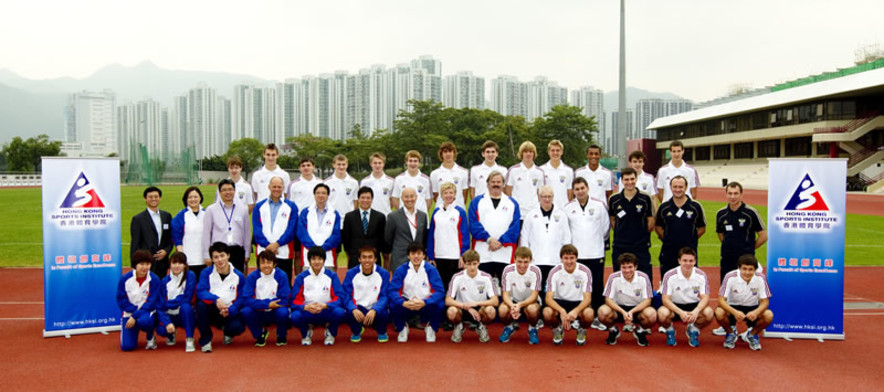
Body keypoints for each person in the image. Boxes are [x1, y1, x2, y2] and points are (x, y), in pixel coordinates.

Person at [563, 177, 610, 329]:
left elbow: (605, 228)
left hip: (596, 252)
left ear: (588, 188)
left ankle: (596, 316)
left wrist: (596, 241)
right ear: (573, 191)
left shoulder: (599, 205)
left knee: (596, 285)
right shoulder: (568, 207)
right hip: (578, 254)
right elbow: (567, 230)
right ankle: (578, 316)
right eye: (577, 189)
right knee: (578, 287)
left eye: (582, 188)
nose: (580, 191)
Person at [469, 171, 521, 286]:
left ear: (503, 184)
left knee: (505, 287)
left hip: (505, 253)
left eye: (499, 182)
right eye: (493, 182)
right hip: (482, 252)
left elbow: (515, 228)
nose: (496, 184)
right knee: (482, 286)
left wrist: (500, 242)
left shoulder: (512, 203)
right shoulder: (477, 202)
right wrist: (489, 240)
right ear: (487, 184)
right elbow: (474, 225)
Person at [388, 242, 445, 343]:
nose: (416, 256)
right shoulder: (401, 270)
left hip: (425, 303)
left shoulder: (431, 270)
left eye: (419, 253)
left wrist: (425, 302)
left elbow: (440, 291)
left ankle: (431, 328)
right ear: (408, 255)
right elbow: (392, 290)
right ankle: (402, 328)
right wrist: (403, 302)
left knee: (440, 304)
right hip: (407, 302)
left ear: (423, 255)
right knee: (393, 304)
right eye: (413, 253)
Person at [290, 246, 347, 346]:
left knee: (339, 312)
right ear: (309, 261)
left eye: (320, 259)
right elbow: (294, 301)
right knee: (295, 316)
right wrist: (305, 307)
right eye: (313, 259)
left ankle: (330, 332)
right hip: (308, 311)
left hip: (326, 310)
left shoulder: (332, 276)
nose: (317, 262)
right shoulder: (301, 277)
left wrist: (326, 306)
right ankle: (306, 333)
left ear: (324, 260)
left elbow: (339, 297)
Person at [714, 254, 774, 351]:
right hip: (732, 307)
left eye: (750, 269)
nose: (747, 272)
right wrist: (734, 312)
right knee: (719, 312)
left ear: (755, 270)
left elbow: (765, 301)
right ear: (739, 268)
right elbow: (721, 300)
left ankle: (752, 335)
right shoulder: (730, 276)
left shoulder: (761, 278)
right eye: (744, 269)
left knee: (768, 315)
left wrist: (756, 312)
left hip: (752, 307)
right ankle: (730, 333)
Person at [195, 242, 247, 353]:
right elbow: (201, 291)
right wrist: (216, 300)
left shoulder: (239, 276)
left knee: (238, 327)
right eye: (216, 257)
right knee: (200, 306)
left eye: (222, 255)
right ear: (212, 259)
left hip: (230, 310)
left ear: (228, 255)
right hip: (213, 309)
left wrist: (230, 310)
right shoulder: (206, 273)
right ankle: (206, 340)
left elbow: (242, 297)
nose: (220, 260)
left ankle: (228, 332)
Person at [657, 247, 714, 348]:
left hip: (693, 305)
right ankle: (670, 330)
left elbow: (705, 297)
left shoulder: (701, 275)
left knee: (709, 313)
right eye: (685, 260)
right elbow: (665, 299)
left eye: (691, 261)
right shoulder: (669, 275)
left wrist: (696, 311)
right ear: (679, 261)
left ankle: (693, 329)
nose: (688, 263)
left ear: (695, 261)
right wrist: (680, 313)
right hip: (674, 306)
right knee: (662, 313)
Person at [597, 253, 656, 346]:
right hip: (618, 310)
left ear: (635, 267)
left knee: (651, 314)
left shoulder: (643, 277)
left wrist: (631, 312)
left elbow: (648, 300)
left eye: (630, 267)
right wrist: (623, 312)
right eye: (624, 267)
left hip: (638, 310)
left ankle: (640, 331)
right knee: (602, 312)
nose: (627, 270)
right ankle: (613, 330)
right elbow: (608, 299)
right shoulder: (613, 277)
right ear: (620, 267)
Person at [542, 245, 594, 346]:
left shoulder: (585, 271)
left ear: (576, 258)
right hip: (559, 301)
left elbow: (588, 299)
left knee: (589, 314)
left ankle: (582, 330)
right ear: (561, 258)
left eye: (572, 258)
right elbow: (548, 298)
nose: (569, 261)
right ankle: (557, 329)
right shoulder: (554, 271)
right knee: (547, 312)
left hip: (578, 302)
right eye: (566, 258)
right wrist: (561, 311)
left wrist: (576, 311)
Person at [609, 168, 655, 281]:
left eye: (632, 179)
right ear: (622, 180)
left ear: (636, 179)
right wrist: (622, 231)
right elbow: (613, 220)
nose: (630, 182)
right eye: (626, 179)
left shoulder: (645, 198)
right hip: (621, 245)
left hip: (640, 245)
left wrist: (641, 233)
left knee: (645, 276)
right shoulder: (614, 199)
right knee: (619, 277)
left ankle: (647, 298)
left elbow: (651, 220)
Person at [519, 185, 570, 288]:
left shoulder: (561, 215)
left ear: (553, 197)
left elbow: (566, 238)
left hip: (555, 260)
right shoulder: (530, 215)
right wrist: (527, 258)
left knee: (553, 291)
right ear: (539, 197)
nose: (547, 199)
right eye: (544, 196)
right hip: (536, 260)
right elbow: (524, 238)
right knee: (537, 290)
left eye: (549, 196)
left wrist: (564, 258)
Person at [655, 175, 706, 278]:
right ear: (670, 187)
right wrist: (667, 238)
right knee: (667, 282)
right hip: (668, 251)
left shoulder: (696, 207)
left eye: (680, 187)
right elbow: (658, 227)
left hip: (689, 253)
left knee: (690, 282)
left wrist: (691, 238)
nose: (678, 189)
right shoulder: (664, 207)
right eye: (675, 187)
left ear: (686, 187)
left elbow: (702, 228)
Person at [446, 250, 499, 343]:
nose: (472, 267)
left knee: (491, 311)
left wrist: (476, 304)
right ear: (464, 264)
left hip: (480, 309)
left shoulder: (486, 277)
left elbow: (495, 301)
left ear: (479, 263)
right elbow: (448, 300)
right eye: (469, 264)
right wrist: (466, 307)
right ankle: (459, 326)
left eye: (475, 264)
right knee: (451, 311)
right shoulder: (457, 277)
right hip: (462, 308)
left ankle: (481, 325)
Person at [253, 176, 299, 282]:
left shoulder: (291, 206)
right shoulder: (259, 206)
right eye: (274, 186)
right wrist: (268, 246)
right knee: (262, 283)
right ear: (269, 187)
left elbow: (291, 231)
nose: (276, 189)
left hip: (283, 252)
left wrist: (276, 244)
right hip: (264, 252)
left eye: (279, 187)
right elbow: (257, 230)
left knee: (284, 283)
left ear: (283, 188)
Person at [241, 250, 291, 347]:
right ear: (258, 265)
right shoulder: (252, 277)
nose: (266, 265)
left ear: (274, 264)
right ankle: (260, 334)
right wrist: (267, 304)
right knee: (245, 311)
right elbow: (246, 299)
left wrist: (271, 305)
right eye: (262, 263)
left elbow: (285, 298)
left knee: (283, 312)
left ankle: (281, 335)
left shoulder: (282, 276)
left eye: (269, 262)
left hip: (276, 310)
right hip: (259, 310)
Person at [342, 245, 391, 343]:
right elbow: (346, 295)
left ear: (375, 259)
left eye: (370, 257)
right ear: (359, 259)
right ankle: (357, 330)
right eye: (364, 257)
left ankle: (381, 331)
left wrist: (375, 309)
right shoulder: (351, 274)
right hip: (359, 308)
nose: (367, 260)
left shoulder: (383, 274)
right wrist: (353, 308)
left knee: (385, 313)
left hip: (375, 308)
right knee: (347, 312)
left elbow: (384, 296)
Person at [427, 182, 470, 290]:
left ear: (455, 195)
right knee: (440, 286)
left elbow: (464, 235)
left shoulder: (460, 212)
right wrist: (431, 255)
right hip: (439, 256)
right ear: (441, 195)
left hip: (454, 256)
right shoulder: (436, 212)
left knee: (453, 287)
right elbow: (431, 235)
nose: (448, 195)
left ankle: (453, 307)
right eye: (445, 193)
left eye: (451, 192)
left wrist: (463, 255)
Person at [203, 179, 252, 274]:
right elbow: (206, 234)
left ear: (234, 191)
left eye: (230, 189)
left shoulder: (243, 209)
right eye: (224, 190)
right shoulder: (211, 210)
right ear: (219, 192)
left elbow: (247, 233)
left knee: (238, 281)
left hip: (237, 251)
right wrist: (207, 255)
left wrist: (247, 253)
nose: (228, 192)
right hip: (219, 252)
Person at [116, 249, 160, 351]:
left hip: (146, 313)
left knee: (145, 321)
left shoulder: (154, 280)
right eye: (141, 264)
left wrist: (136, 315)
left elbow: (151, 302)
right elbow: (121, 299)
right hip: (129, 314)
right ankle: (134, 331)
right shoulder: (125, 279)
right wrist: (134, 312)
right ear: (135, 265)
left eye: (148, 264)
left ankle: (150, 336)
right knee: (127, 347)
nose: (145, 267)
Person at [498, 247, 543, 344]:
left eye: (526, 262)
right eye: (519, 261)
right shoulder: (507, 270)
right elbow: (505, 295)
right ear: (514, 259)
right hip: (513, 301)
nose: (522, 265)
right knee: (502, 310)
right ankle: (509, 327)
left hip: (530, 301)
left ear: (531, 260)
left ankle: (532, 328)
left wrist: (519, 305)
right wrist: (512, 306)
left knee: (532, 309)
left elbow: (534, 296)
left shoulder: (536, 271)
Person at [155, 252, 197, 352]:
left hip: (184, 313)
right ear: (170, 264)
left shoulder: (190, 276)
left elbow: (187, 297)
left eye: (180, 263)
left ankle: (189, 339)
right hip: (170, 314)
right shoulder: (164, 281)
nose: (177, 266)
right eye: (174, 263)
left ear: (185, 265)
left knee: (186, 307)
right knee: (161, 330)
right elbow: (160, 304)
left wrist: (168, 304)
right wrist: (167, 322)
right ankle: (171, 335)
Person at [296, 183, 342, 272]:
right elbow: (301, 233)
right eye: (318, 193)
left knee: (328, 284)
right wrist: (314, 249)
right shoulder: (305, 212)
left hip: (328, 258)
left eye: (324, 193)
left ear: (328, 195)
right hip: (308, 257)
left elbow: (336, 236)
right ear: (314, 195)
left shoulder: (334, 213)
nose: (321, 195)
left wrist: (322, 249)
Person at [130, 186, 173, 278]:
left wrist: (166, 251)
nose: (153, 199)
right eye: (150, 197)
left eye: (156, 196)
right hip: (146, 263)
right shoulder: (138, 219)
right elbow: (135, 243)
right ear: (145, 199)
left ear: (160, 198)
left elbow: (169, 238)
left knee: (161, 287)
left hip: (162, 262)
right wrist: (134, 264)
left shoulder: (166, 216)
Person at [342, 186, 388, 269]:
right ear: (358, 199)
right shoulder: (349, 217)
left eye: (368, 198)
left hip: (374, 258)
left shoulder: (380, 217)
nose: (365, 200)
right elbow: (346, 239)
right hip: (355, 258)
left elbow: (382, 239)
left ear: (372, 199)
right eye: (362, 198)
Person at [385, 187, 428, 271]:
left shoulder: (423, 216)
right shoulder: (393, 216)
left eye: (412, 196)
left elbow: (423, 238)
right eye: (406, 197)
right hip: (399, 259)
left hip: (417, 260)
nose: (409, 199)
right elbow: (388, 239)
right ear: (402, 198)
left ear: (416, 197)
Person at [171, 186, 209, 277]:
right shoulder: (181, 216)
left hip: (205, 259)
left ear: (200, 198)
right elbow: (176, 236)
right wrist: (181, 257)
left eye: (195, 197)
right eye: (190, 197)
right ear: (186, 199)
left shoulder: (207, 213)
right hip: (188, 260)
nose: (193, 199)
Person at [505, 141, 544, 226]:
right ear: (521, 153)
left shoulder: (539, 172)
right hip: (517, 213)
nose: (528, 154)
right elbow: (508, 191)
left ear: (534, 154)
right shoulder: (513, 170)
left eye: (531, 152)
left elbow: (540, 193)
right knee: (517, 238)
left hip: (533, 212)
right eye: (525, 151)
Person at [430, 142, 470, 210]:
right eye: (445, 152)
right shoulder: (434, 174)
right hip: (441, 211)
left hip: (458, 210)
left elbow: (464, 194)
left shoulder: (464, 172)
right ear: (441, 154)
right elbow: (436, 195)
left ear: (454, 153)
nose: (448, 154)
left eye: (450, 151)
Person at [392, 150, 432, 215]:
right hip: (404, 217)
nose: (413, 164)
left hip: (421, 217)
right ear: (406, 162)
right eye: (410, 161)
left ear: (419, 162)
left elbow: (429, 200)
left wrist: (422, 214)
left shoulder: (426, 179)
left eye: (415, 161)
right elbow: (395, 199)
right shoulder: (399, 179)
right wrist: (402, 212)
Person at [540, 140, 574, 209]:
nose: (555, 153)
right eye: (552, 150)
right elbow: (539, 192)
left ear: (562, 152)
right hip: (546, 209)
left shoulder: (569, 170)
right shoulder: (541, 170)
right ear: (549, 152)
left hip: (563, 209)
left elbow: (570, 193)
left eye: (558, 150)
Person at [325, 154, 359, 220]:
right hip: (331, 219)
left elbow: (356, 202)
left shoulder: (354, 182)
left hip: (348, 219)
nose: (341, 167)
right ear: (334, 165)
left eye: (343, 164)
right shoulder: (326, 183)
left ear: (347, 165)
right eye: (339, 164)